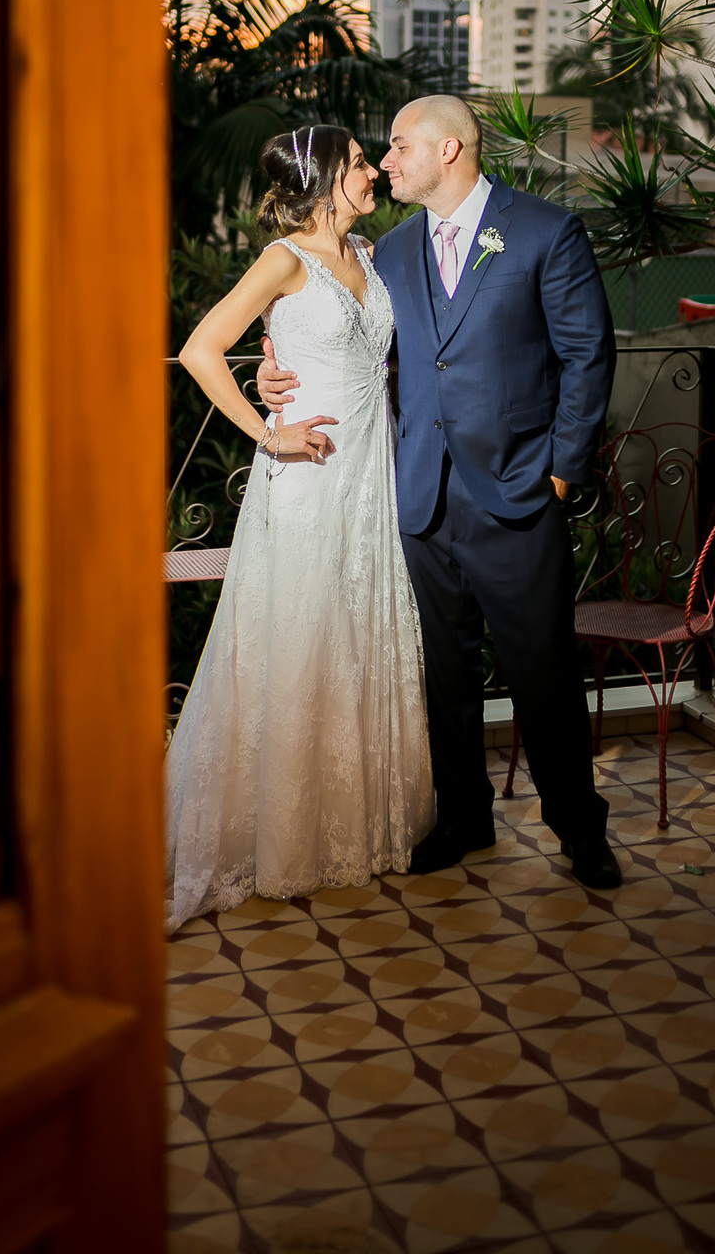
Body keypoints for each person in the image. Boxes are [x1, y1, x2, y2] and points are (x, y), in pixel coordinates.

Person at [260, 95, 621, 889]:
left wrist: (562, 469)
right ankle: (463, 817)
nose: (386, 162)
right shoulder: (387, 251)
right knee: (442, 673)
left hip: (519, 492)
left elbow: (588, 354)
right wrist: (272, 369)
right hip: (417, 494)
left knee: (543, 672)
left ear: (448, 149)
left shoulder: (545, 231)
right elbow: (337, 329)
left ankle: (578, 827)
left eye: (397, 147)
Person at [164, 124, 433, 930]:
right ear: (323, 180)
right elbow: (201, 349)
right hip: (309, 475)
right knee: (301, 633)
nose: (373, 174)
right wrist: (267, 430)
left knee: (356, 631)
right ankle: (280, 835)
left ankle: (352, 820)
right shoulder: (284, 259)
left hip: (373, 476)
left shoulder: (374, 256)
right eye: (360, 164)